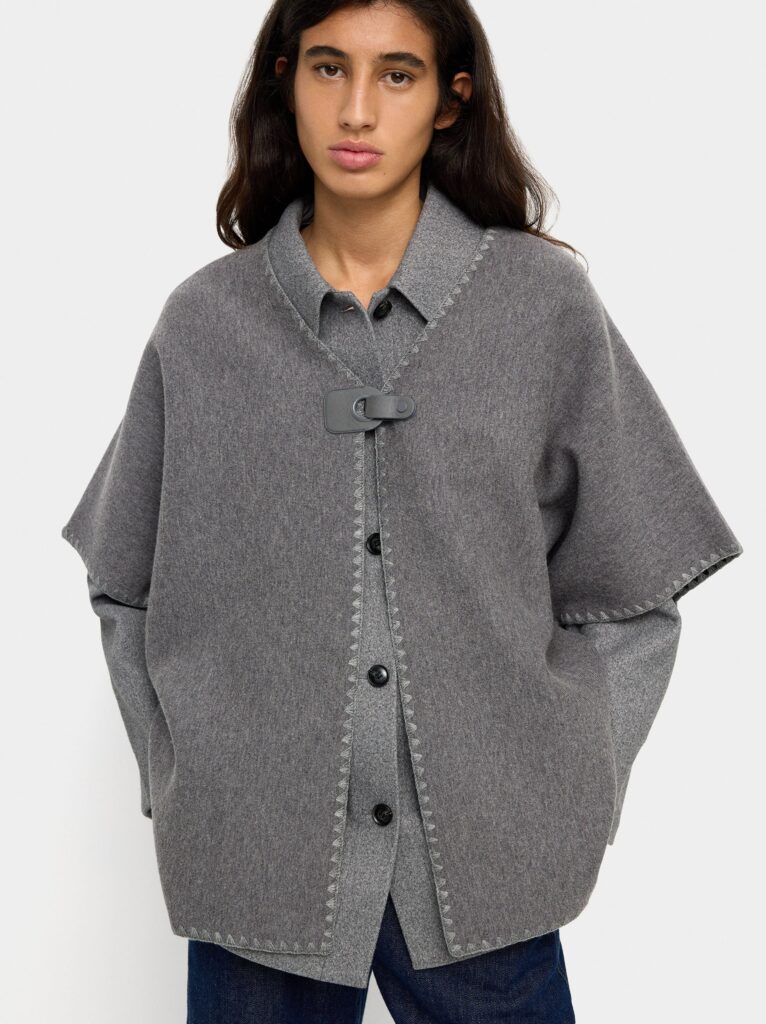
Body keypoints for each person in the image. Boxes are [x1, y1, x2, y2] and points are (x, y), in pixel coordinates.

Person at [60, 1, 743, 1021]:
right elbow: (125, 584)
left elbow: (633, 584)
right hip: (255, 880)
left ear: (450, 101)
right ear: (286, 82)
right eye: (328, 68)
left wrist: (569, 783)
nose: (357, 109)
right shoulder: (204, 325)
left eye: (396, 75)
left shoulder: (542, 306)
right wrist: (188, 778)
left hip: (491, 876)